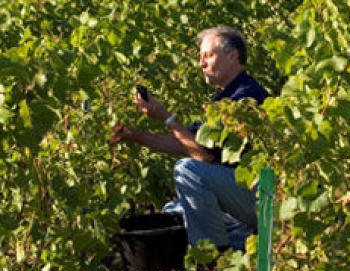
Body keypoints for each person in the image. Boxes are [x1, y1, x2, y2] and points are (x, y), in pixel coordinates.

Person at [111, 26, 268, 251]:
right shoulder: (224, 100)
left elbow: (202, 156)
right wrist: (134, 136)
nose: (201, 64)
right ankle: (240, 237)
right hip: (241, 196)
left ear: (233, 55)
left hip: (261, 196)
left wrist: (166, 118)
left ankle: (213, 256)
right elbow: (185, 143)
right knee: (174, 210)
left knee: (187, 171)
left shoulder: (245, 98)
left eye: (208, 56)